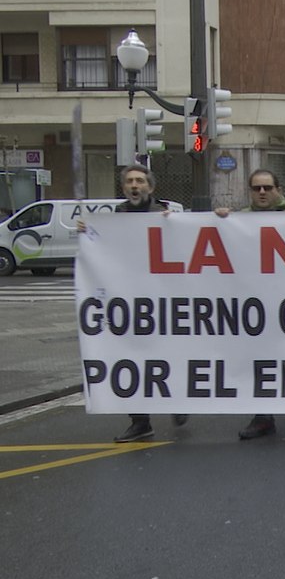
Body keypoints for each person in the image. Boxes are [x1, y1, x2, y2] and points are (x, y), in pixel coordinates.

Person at [214, 169, 285, 439]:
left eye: (268, 187)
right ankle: (263, 416)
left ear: (278, 190)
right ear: (250, 192)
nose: (263, 192)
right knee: (259, 361)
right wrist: (221, 221)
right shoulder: (238, 220)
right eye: (257, 188)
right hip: (254, 307)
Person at [106, 164, 187, 443]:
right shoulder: (115, 218)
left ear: (150, 187)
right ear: (123, 187)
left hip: (161, 302)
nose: (134, 185)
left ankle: (179, 400)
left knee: (166, 357)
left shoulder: (164, 216)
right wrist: (88, 231)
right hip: (129, 303)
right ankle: (140, 421)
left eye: (139, 181)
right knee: (131, 360)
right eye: (129, 181)